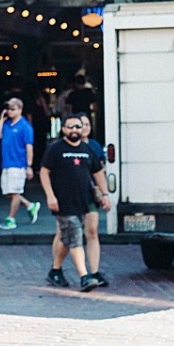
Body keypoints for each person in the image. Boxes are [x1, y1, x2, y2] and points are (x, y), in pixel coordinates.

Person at [40, 115, 109, 291]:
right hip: (64, 202)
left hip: (85, 200)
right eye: (70, 127)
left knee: (68, 237)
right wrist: (50, 196)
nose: (74, 130)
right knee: (75, 235)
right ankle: (84, 277)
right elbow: (44, 172)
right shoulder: (56, 149)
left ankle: (55, 271)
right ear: (63, 129)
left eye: (77, 127)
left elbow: (98, 172)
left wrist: (105, 194)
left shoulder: (87, 149)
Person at [0, 98, 39, 232]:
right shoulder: (6, 124)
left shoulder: (25, 127)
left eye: (13, 109)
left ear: (20, 110)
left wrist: (29, 165)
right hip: (6, 163)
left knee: (15, 192)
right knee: (8, 192)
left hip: (18, 164)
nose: (10, 112)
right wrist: (1, 119)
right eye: (8, 109)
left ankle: (11, 218)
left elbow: (29, 147)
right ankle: (30, 205)